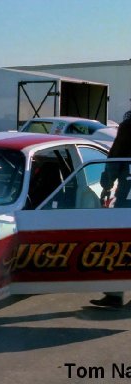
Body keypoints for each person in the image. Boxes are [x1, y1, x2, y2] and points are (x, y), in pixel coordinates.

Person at [90, 110, 131, 308]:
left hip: (128, 201)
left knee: (119, 246)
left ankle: (115, 295)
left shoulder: (129, 128)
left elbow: (115, 160)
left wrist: (106, 185)